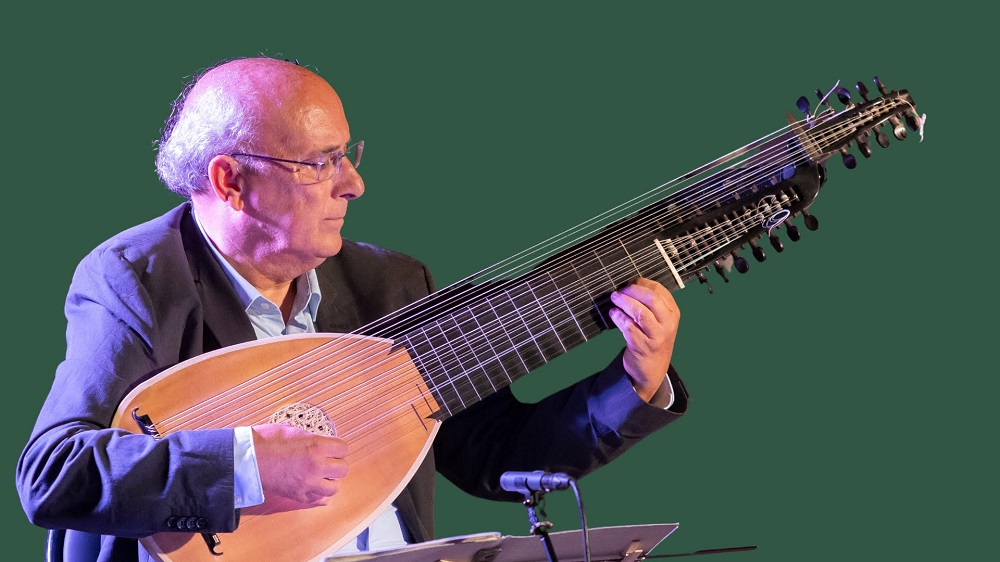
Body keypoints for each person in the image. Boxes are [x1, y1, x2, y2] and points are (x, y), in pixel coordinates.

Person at [16, 57, 688, 562]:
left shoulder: (389, 282)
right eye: (321, 162)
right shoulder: (137, 279)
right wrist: (245, 465)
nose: (354, 183)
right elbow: (54, 474)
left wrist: (636, 381)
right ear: (231, 181)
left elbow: (489, 453)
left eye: (348, 155)